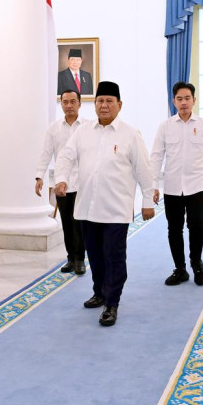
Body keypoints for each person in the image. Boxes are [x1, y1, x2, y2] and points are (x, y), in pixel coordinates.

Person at [53, 81, 156, 327]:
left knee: (114, 257)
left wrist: (147, 200)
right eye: (100, 101)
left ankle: (112, 302)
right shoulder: (84, 131)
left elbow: (144, 170)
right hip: (87, 207)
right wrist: (61, 179)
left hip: (116, 210)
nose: (104, 105)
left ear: (119, 105)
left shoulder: (130, 134)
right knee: (96, 256)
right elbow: (66, 156)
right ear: (95, 104)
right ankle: (99, 292)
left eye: (110, 101)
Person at [150, 82, 203, 287]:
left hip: (197, 185)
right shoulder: (165, 126)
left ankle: (196, 263)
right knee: (174, 228)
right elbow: (156, 157)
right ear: (173, 101)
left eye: (187, 98)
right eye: (179, 99)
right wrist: (153, 185)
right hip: (172, 186)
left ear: (194, 100)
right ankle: (180, 269)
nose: (183, 102)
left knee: (197, 226)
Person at [34, 89, 89, 274]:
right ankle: (70, 259)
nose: (69, 105)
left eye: (73, 101)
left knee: (79, 223)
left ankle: (81, 259)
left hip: (83, 182)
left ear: (79, 103)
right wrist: (39, 176)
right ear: (61, 104)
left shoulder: (88, 126)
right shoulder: (54, 128)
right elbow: (45, 153)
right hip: (62, 183)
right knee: (66, 222)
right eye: (65, 102)